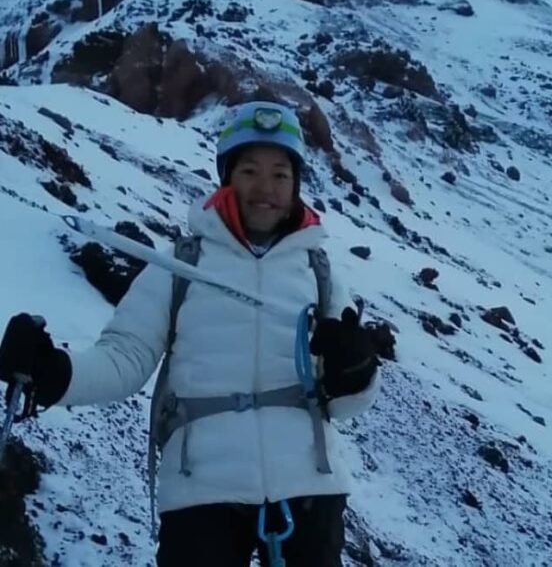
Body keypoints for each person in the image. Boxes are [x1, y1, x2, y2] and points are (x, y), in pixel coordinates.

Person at [0, 100, 380, 566]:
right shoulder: (180, 265)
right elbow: (124, 358)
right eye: (249, 171)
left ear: (296, 183)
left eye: (280, 174)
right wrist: (53, 372)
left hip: (309, 489)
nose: (266, 188)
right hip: (201, 490)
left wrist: (357, 371)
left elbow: (346, 404)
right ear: (226, 176)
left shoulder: (320, 272)